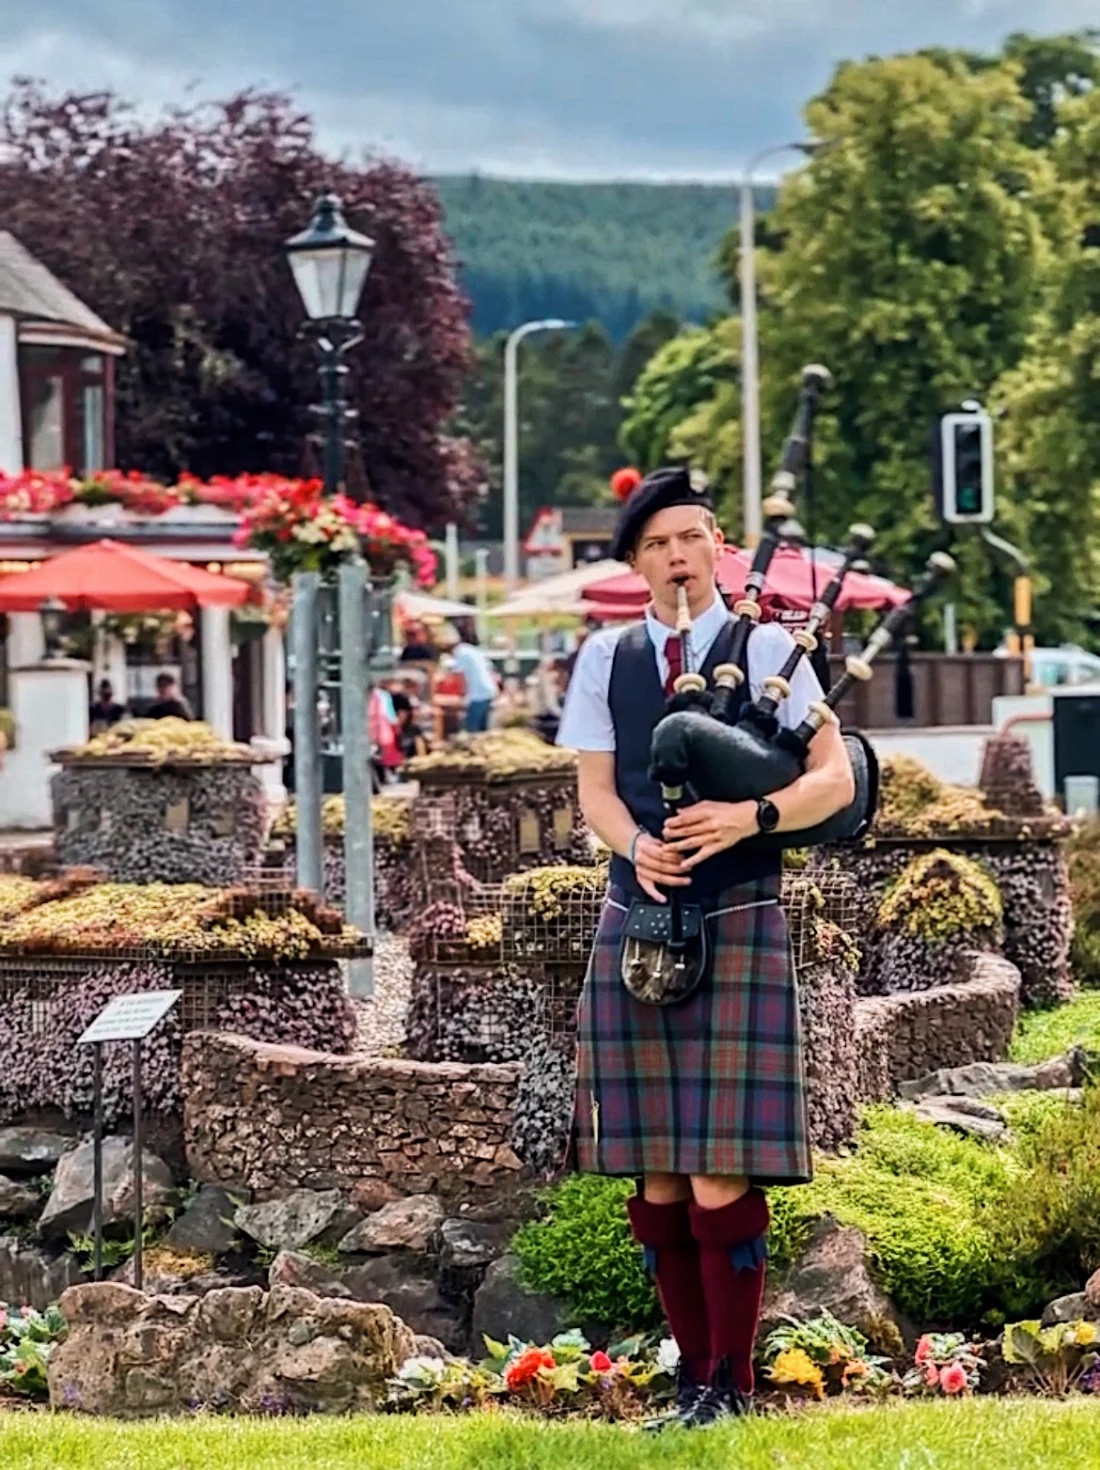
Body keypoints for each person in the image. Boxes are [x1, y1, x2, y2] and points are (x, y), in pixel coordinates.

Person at [556, 467, 854, 1429]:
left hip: (735, 912)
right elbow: (594, 792)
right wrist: (634, 844)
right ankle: (692, 1380)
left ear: (718, 546)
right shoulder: (606, 659)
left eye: (690, 538)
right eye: (656, 544)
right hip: (636, 916)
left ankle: (732, 1382)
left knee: (720, 1165)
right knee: (656, 1171)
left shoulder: (768, 648)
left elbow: (836, 778)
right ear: (636, 562)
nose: (676, 557)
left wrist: (749, 816)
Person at [438, 625, 498, 734]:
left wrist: (461, 697)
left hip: (477, 695)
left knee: (472, 731)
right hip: (488, 691)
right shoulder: (470, 650)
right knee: (483, 730)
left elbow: (460, 678)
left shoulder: (460, 654)